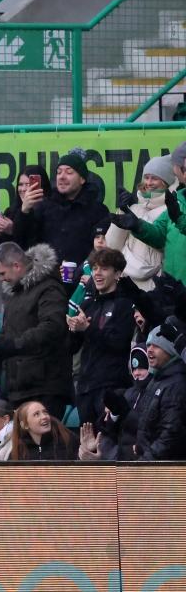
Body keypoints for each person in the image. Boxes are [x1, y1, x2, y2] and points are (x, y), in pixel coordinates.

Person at [0, 242, 73, 420]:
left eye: (2, 273)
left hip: (46, 386)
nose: (2, 279)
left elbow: (52, 327)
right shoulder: (15, 294)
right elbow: (9, 331)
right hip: (20, 386)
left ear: (17, 266)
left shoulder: (49, 288)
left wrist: (15, 345)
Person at [67, 248, 136, 428]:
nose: (97, 273)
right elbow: (72, 348)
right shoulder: (87, 305)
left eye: (104, 269)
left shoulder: (125, 304)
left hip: (111, 386)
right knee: (87, 440)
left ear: (117, 274)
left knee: (107, 440)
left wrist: (88, 329)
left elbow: (119, 343)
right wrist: (73, 330)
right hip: (85, 388)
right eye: (95, 268)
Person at [12, 151, 110, 269]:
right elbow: (24, 244)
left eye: (69, 172)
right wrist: (24, 212)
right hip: (48, 277)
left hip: (83, 277)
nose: (62, 176)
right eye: (58, 172)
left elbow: (101, 251)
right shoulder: (44, 207)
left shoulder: (98, 211)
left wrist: (83, 273)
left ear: (82, 179)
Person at [107, 155, 176, 290]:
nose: (149, 183)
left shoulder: (172, 210)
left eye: (154, 178)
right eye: (146, 177)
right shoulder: (135, 208)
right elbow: (111, 246)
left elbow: (166, 245)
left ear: (167, 181)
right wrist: (123, 211)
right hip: (125, 282)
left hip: (155, 286)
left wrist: (137, 218)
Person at [130, 144, 186, 283]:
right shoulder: (178, 200)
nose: (149, 183)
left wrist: (179, 219)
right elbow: (160, 234)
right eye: (183, 168)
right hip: (173, 286)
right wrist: (137, 226)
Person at [133, 319, 186, 460]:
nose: (149, 349)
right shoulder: (156, 380)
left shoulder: (176, 383)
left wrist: (146, 461)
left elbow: (171, 433)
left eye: (156, 346)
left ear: (170, 349)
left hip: (163, 466)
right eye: (148, 345)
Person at [9, 401, 78, 461]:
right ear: (25, 425)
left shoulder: (67, 440)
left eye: (45, 412)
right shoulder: (19, 451)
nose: (44, 417)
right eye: (36, 414)